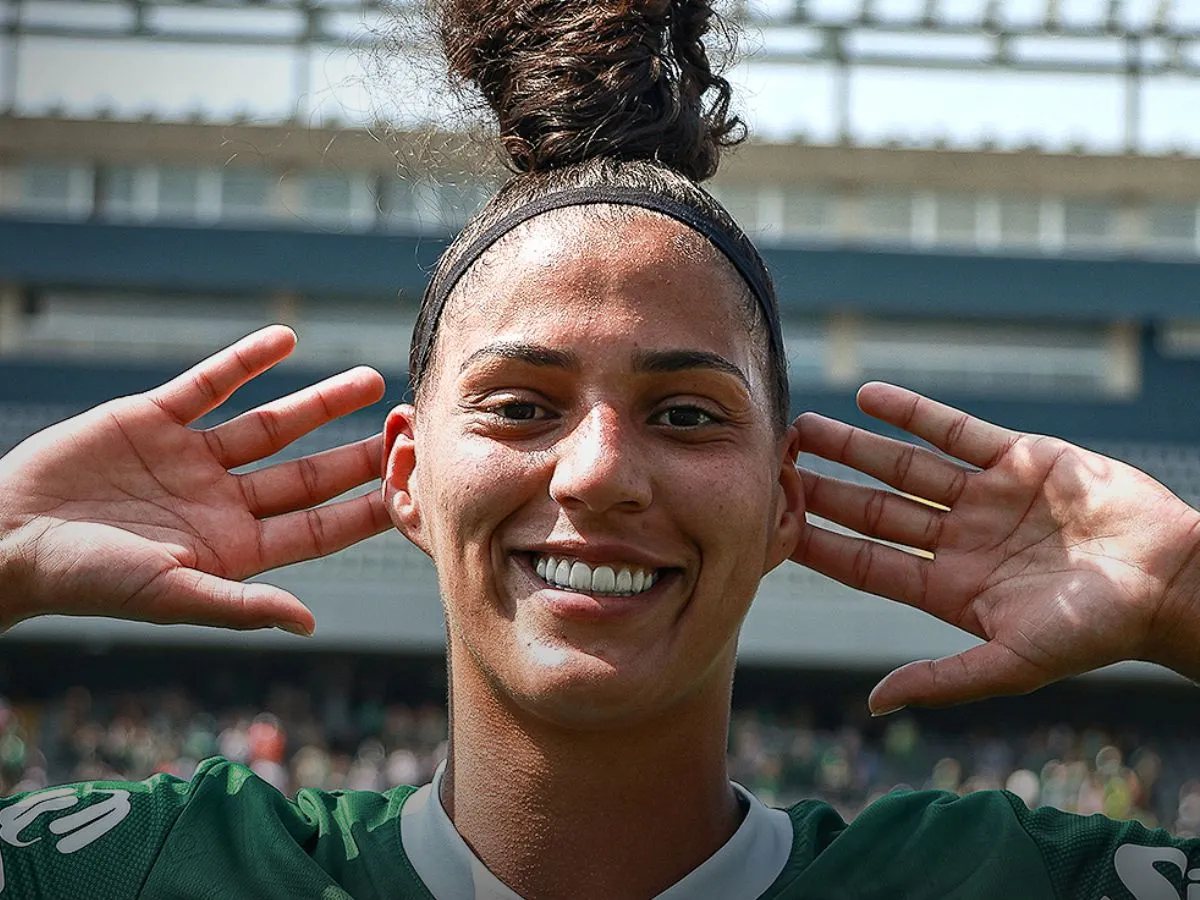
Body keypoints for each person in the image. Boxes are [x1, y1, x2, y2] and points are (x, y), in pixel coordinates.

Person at [2, 0, 1200, 896]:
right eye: (521, 407)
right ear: (407, 475)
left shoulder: (1011, 885)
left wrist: (1182, 596)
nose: (599, 472)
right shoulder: (150, 872)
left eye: (686, 415)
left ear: (785, 499)